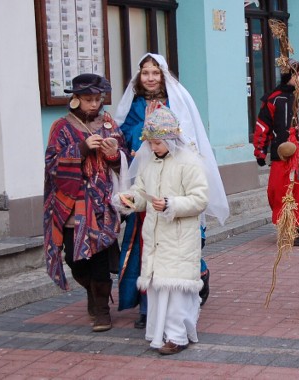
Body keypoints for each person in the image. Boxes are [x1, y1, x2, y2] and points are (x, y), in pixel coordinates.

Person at [114, 53, 229, 328]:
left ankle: (187, 291)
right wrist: (140, 137)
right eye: (145, 73)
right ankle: (147, 308)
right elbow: (125, 130)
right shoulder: (135, 103)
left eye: (155, 72)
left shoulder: (178, 100)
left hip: (174, 180)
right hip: (146, 176)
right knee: (144, 244)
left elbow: (188, 135)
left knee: (175, 245)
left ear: (163, 75)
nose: (150, 78)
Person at [114, 106, 209, 355]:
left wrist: (172, 204)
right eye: (151, 143)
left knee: (175, 289)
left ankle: (177, 336)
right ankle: (161, 333)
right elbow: (141, 193)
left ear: (170, 139)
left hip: (179, 237)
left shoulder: (189, 162)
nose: (152, 148)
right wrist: (129, 200)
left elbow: (200, 199)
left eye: (157, 143)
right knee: (159, 288)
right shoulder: (151, 164)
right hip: (157, 237)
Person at [43, 74, 127, 332]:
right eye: (88, 100)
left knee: (100, 255)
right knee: (74, 258)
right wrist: (81, 148)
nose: (94, 104)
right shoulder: (61, 126)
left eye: (97, 99)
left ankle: (102, 310)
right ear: (75, 100)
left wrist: (113, 153)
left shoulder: (109, 123)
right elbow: (52, 165)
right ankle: (92, 293)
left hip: (102, 203)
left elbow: (122, 161)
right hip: (72, 204)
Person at [253, 59, 299, 246]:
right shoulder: (272, 98)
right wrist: (260, 150)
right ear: (287, 76)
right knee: (277, 192)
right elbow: (263, 125)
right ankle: (286, 225)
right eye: (297, 74)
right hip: (280, 155)